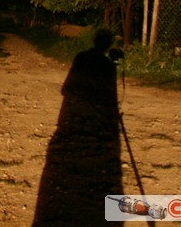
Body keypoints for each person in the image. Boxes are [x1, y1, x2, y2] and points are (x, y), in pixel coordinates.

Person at [33, 29, 122, 226]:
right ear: (108, 46)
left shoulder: (81, 57)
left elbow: (67, 88)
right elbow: (109, 97)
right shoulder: (107, 65)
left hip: (72, 115)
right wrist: (114, 64)